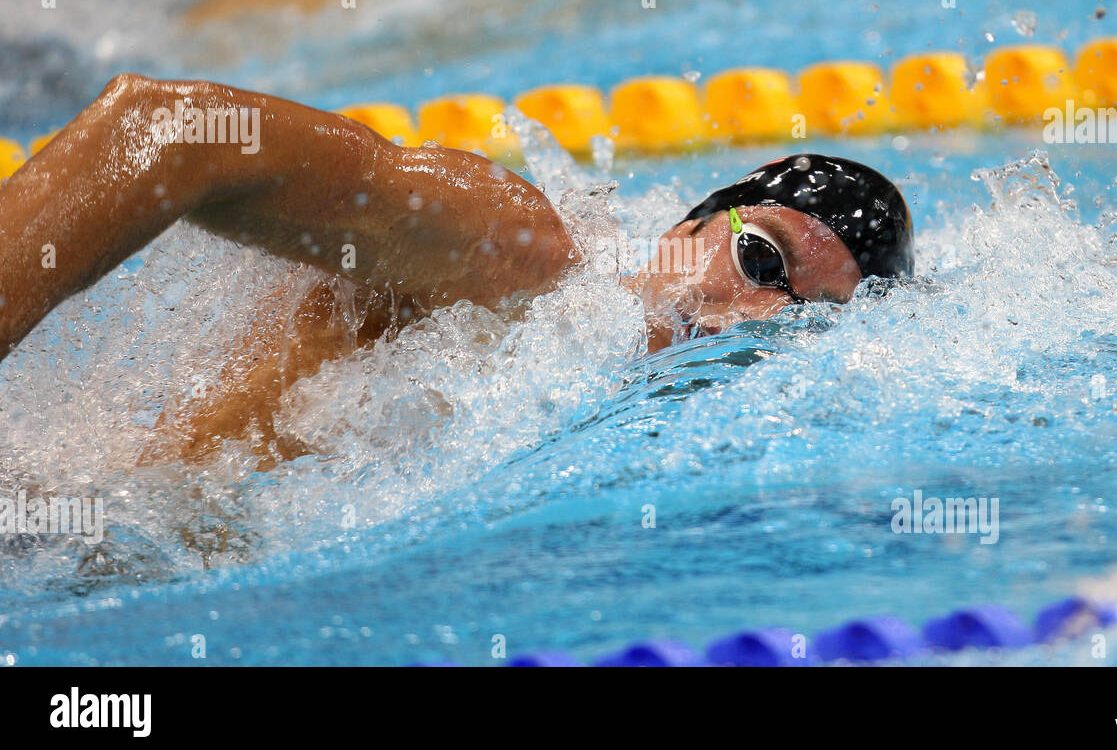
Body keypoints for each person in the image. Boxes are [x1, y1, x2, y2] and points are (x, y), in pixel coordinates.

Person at [0, 75, 912, 467]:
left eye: (800, 322)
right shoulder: (527, 254)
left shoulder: (594, 386)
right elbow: (164, 130)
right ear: (690, 222)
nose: (749, 318)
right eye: (760, 258)